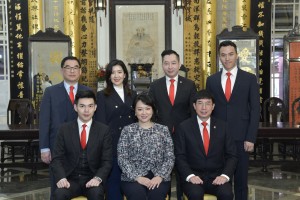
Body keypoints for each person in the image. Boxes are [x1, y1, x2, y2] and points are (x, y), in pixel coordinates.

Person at [206, 40, 260, 199]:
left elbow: (255, 110)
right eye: (223, 55)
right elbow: (207, 109)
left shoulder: (249, 79)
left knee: (241, 179)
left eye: (230, 54)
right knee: (221, 179)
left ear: (237, 55)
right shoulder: (212, 80)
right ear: (219, 57)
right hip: (218, 138)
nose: (227, 58)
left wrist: (251, 137)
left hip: (242, 137)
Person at [39, 56, 91, 198]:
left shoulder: (88, 91)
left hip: (83, 146)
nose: (72, 71)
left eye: (75, 68)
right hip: (57, 148)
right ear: (62, 71)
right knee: (58, 187)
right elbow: (44, 121)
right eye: (68, 68)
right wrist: (44, 148)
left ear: (80, 71)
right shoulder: (51, 92)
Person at [148, 49, 196, 200]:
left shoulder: (189, 85)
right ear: (162, 65)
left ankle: (182, 196)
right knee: (163, 172)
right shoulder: (155, 86)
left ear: (179, 64)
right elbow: (151, 111)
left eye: (173, 63)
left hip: (183, 135)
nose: (170, 67)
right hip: (161, 136)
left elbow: (193, 112)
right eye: (166, 63)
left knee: (183, 169)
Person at [174, 89, 238, 200]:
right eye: (200, 103)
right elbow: (180, 156)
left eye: (208, 104)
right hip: (194, 177)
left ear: (213, 106)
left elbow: (232, 155)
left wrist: (224, 175)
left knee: (227, 194)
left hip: (217, 177)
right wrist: (190, 176)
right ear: (194, 106)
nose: (204, 108)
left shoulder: (223, 127)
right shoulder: (184, 127)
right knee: (195, 194)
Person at [50, 90, 112, 200]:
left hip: (92, 179)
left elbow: (107, 161)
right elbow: (56, 158)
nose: (86, 110)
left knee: (97, 194)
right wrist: (61, 178)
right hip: (70, 180)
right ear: (75, 107)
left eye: (90, 106)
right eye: (82, 106)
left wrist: (97, 178)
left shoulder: (104, 130)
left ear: (95, 107)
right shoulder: (64, 129)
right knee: (59, 194)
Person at [117, 93, 175, 200]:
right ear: (135, 111)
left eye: (147, 109)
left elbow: (169, 157)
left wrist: (160, 176)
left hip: (159, 177)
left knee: (155, 195)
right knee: (137, 195)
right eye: (140, 109)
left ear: (153, 110)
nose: (144, 113)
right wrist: (137, 177)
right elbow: (122, 158)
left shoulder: (163, 130)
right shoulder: (127, 130)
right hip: (132, 178)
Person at [94, 59, 136, 200]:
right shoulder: (102, 96)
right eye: (112, 73)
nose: (116, 76)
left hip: (132, 146)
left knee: (133, 184)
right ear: (108, 76)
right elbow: (100, 124)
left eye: (119, 72)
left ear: (125, 75)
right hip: (112, 146)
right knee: (113, 185)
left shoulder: (133, 94)